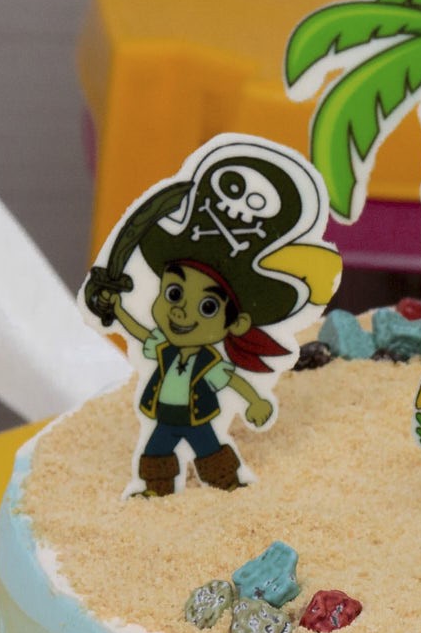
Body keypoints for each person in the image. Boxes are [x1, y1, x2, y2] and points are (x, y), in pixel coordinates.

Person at [82, 138, 340, 496]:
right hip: (164, 416)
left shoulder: (208, 361)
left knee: (209, 450)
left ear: (237, 323)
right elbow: (138, 331)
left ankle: (228, 482)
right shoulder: (163, 348)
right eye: (174, 293)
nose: (181, 311)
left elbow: (232, 380)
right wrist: (115, 308)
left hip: (197, 417)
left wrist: (255, 401)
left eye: (207, 307)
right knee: (156, 451)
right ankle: (156, 488)